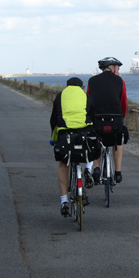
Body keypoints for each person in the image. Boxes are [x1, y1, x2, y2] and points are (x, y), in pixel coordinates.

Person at [50, 77, 96, 217]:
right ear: (81, 87)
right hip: (84, 133)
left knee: (63, 164)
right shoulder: (86, 97)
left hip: (65, 135)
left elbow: (54, 120)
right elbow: (92, 117)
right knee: (91, 150)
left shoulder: (60, 96)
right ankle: (88, 170)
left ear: (67, 86)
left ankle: (64, 201)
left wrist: (54, 137)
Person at [87, 57, 129, 184]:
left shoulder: (92, 81)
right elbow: (123, 103)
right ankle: (117, 172)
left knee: (96, 140)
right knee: (118, 141)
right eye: (118, 68)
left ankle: (97, 168)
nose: (119, 71)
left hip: (97, 119)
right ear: (112, 67)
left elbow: (88, 101)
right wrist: (121, 118)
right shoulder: (120, 81)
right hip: (115, 119)